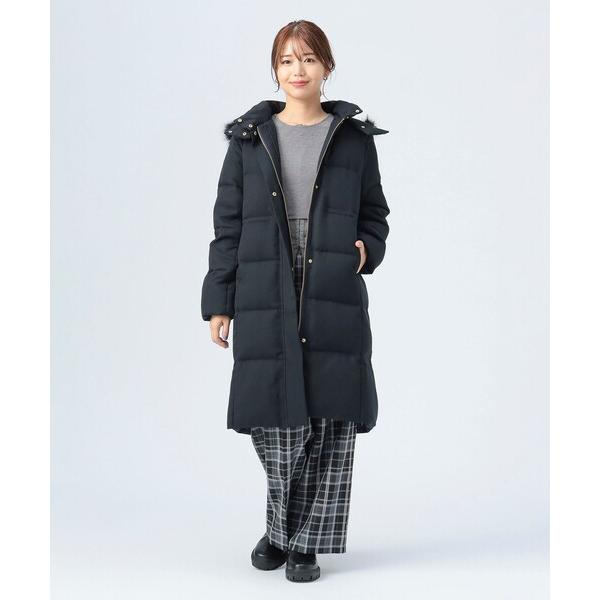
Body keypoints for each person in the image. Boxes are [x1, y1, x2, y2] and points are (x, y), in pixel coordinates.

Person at [201, 19, 390, 583]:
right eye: (287, 59)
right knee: (276, 420)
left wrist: (365, 250)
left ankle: (303, 542)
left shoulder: (353, 140)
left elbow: (375, 213)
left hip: (332, 288)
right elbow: (227, 226)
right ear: (275, 69)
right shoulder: (249, 141)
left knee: (328, 420)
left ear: (326, 66)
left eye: (308, 58)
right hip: (265, 287)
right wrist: (220, 301)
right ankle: (282, 527)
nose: (297, 70)